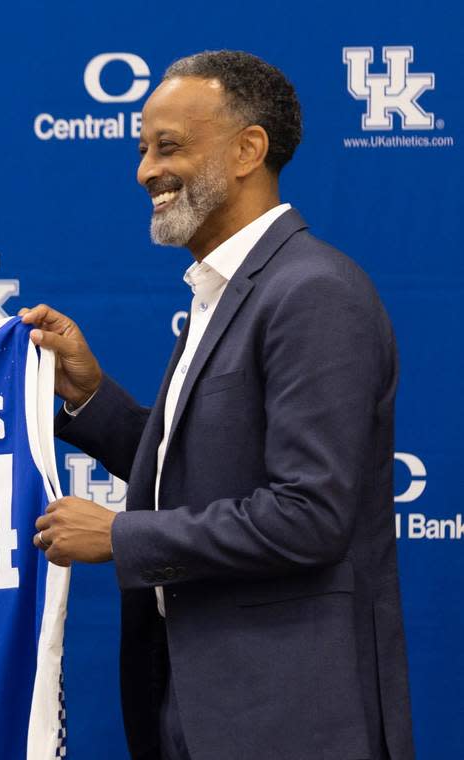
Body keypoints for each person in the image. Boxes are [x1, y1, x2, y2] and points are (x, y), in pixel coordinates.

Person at [21, 51, 414, 759]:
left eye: (168, 147)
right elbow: (205, 471)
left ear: (247, 150)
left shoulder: (311, 291)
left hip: (289, 718)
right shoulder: (227, 290)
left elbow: (309, 516)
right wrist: (88, 396)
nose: (146, 171)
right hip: (196, 702)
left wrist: (121, 538)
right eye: (142, 149)